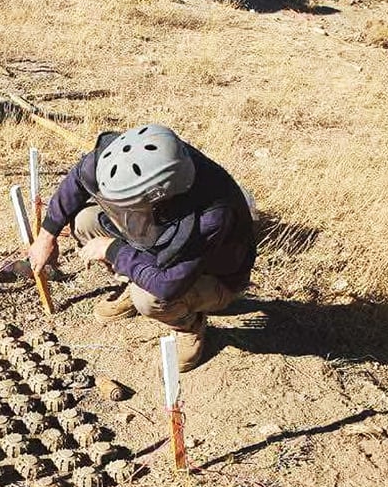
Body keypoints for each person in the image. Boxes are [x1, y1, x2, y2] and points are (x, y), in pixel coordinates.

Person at [28, 124, 257, 372]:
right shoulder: (128, 158)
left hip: (213, 276)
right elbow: (78, 179)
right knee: (85, 222)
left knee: (149, 297)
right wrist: (46, 235)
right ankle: (136, 277)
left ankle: (188, 324)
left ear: (158, 197)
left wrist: (112, 250)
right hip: (158, 239)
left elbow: (168, 284)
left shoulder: (209, 217)